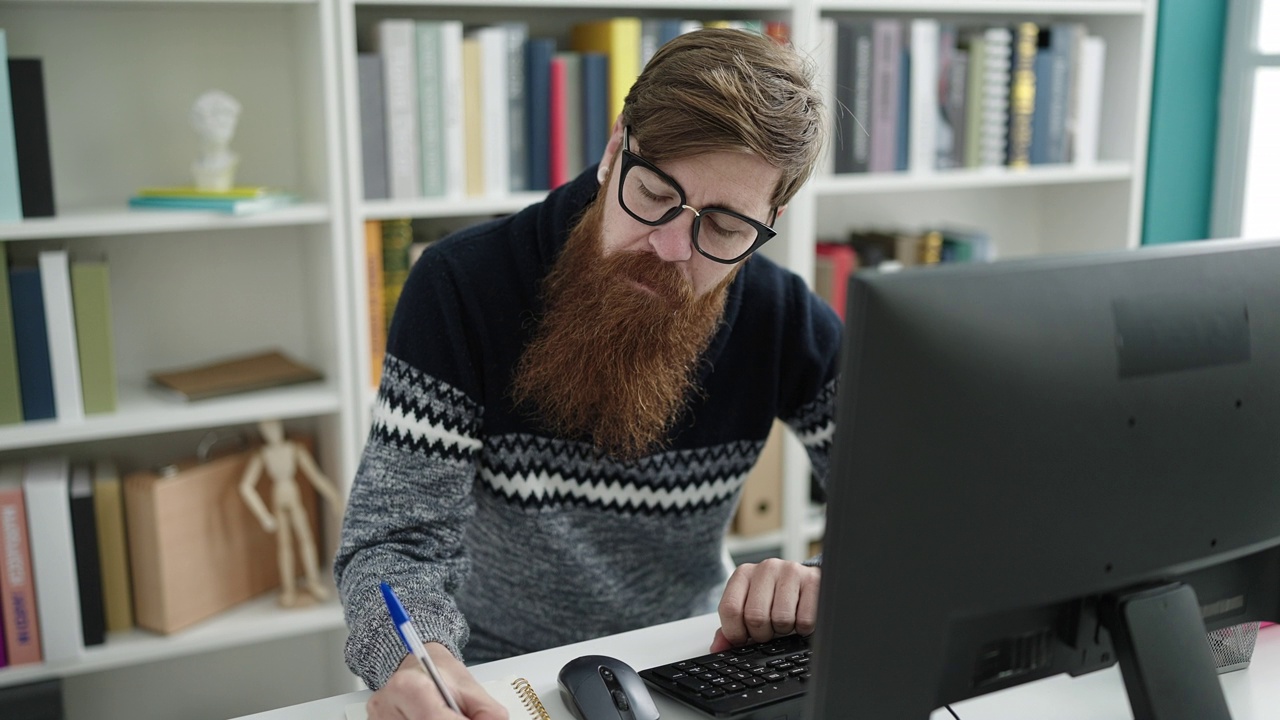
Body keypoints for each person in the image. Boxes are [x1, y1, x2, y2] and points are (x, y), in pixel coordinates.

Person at [335, 27, 840, 720]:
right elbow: (395, 541)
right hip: (492, 676)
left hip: (689, 666)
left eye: (723, 228)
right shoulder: (462, 284)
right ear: (614, 150)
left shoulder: (782, 317)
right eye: (656, 190)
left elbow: (910, 513)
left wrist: (821, 582)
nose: (669, 246)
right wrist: (418, 660)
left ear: (770, 221)